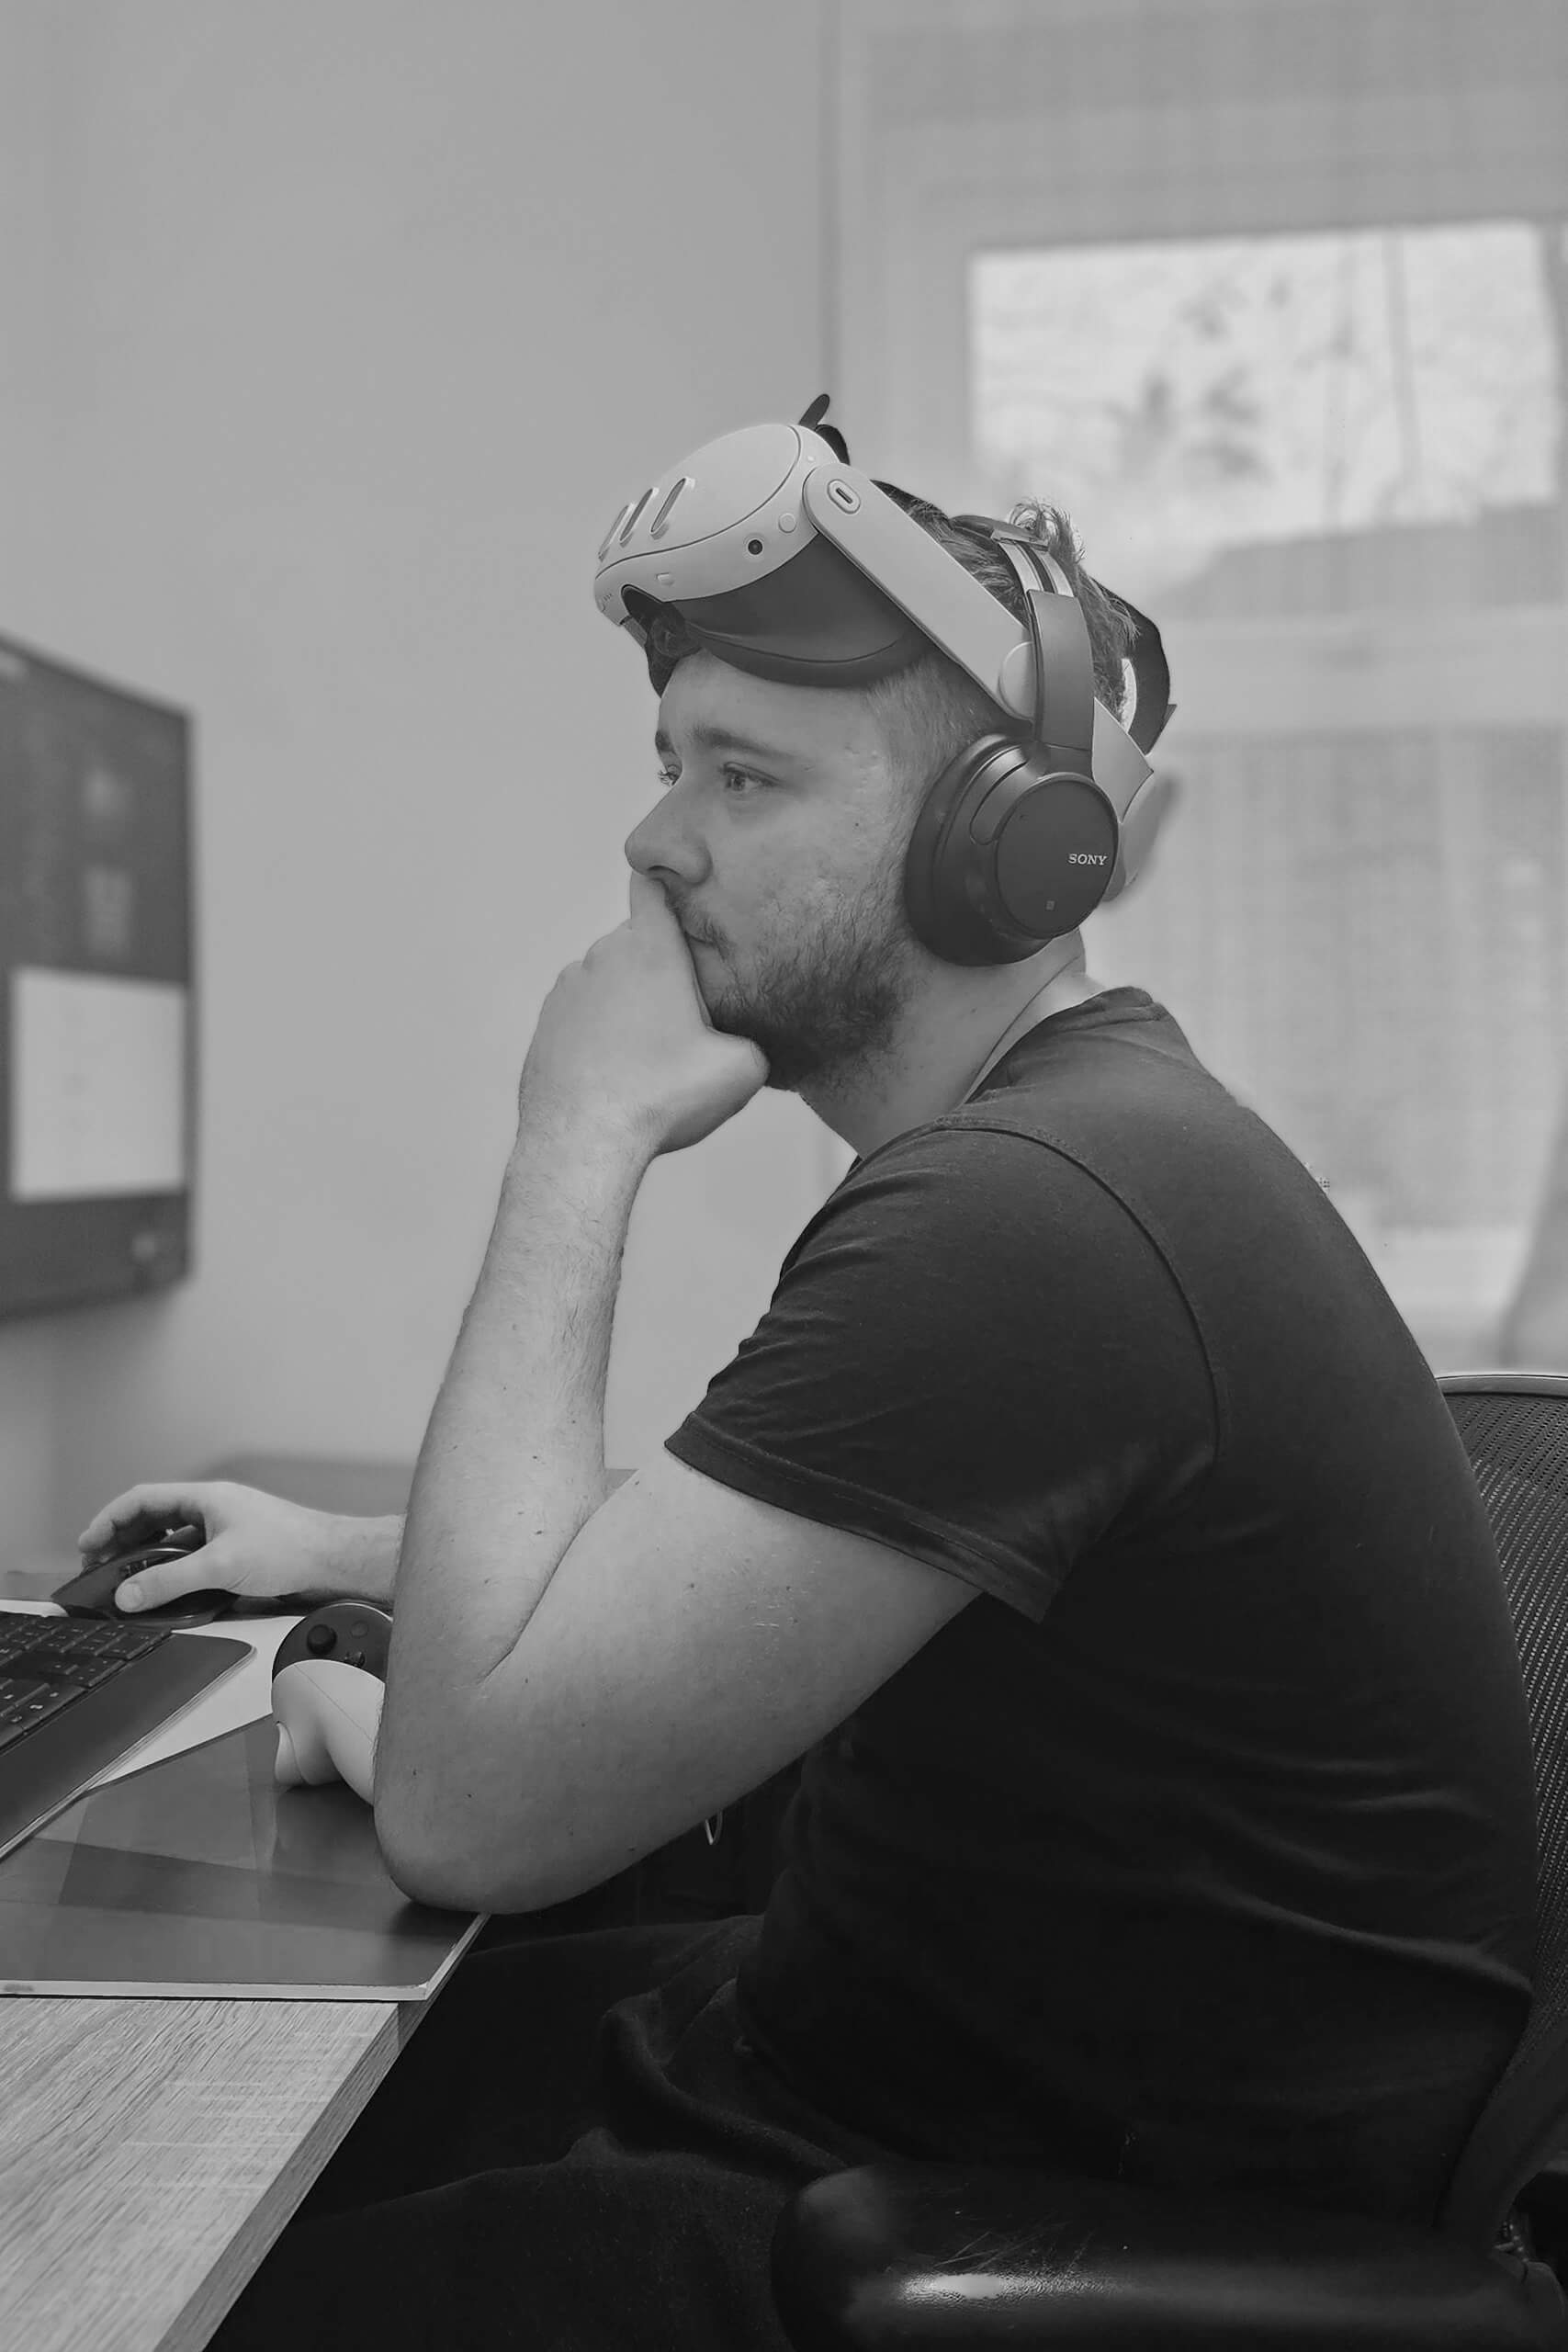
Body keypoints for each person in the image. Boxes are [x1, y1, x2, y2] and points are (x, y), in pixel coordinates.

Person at [77, 408, 1536, 2351]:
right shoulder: (1071, 1141)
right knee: (206, 2112)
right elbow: (762, 1561)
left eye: (745, 775)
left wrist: (571, 1133)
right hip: (857, 2061)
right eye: (668, 761)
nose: (651, 834)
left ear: (1008, 847)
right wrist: (344, 1550)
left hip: (963, 2221)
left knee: (107, 2261)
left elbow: (468, 1811)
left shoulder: (1033, 1220)